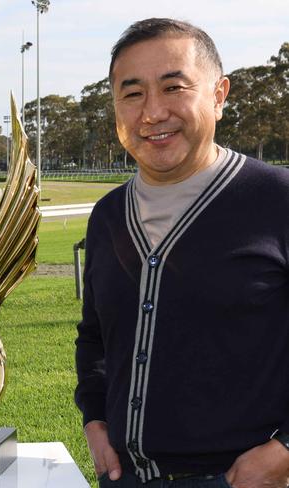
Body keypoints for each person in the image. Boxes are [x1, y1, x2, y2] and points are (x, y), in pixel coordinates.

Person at [75, 18, 289, 488]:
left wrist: (285, 452)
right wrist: (94, 420)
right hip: (125, 478)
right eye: (132, 94)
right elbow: (94, 338)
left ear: (218, 94)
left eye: (174, 87)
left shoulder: (277, 200)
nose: (152, 112)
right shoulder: (108, 216)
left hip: (242, 479)